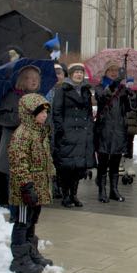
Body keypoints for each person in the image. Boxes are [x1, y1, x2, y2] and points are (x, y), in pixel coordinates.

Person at [7, 93, 54, 273]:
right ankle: (20, 259)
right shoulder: (23, 134)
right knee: (22, 222)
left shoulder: (39, 132)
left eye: (46, 113)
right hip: (25, 189)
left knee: (32, 221)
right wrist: (26, 186)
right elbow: (18, 163)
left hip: (38, 186)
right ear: (29, 113)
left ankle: (31, 252)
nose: (44, 116)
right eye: (40, 113)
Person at [0, 65, 42, 207]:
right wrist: (23, 117)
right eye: (28, 78)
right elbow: (1, 117)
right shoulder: (12, 96)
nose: (33, 81)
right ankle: (15, 212)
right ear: (21, 80)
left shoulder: (40, 99)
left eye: (35, 79)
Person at [51, 63, 96, 207]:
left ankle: (74, 195)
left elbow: (89, 113)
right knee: (66, 167)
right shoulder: (62, 90)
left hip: (82, 134)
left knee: (78, 167)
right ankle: (65, 196)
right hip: (67, 134)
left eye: (81, 73)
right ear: (70, 75)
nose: (79, 75)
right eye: (76, 72)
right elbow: (56, 112)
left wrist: (89, 127)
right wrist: (61, 130)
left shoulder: (85, 91)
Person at [94, 61, 130, 203]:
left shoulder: (122, 88)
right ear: (106, 72)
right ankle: (101, 190)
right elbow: (102, 97)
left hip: (119, 129)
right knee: (103, 161)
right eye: (111, 70)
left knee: (115, 161)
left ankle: (114, 190)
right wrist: (116, 83)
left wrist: (129, 93)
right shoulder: (99, 86)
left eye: (116, 70)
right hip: (104, 128)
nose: (114, 73)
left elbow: (128, 109)